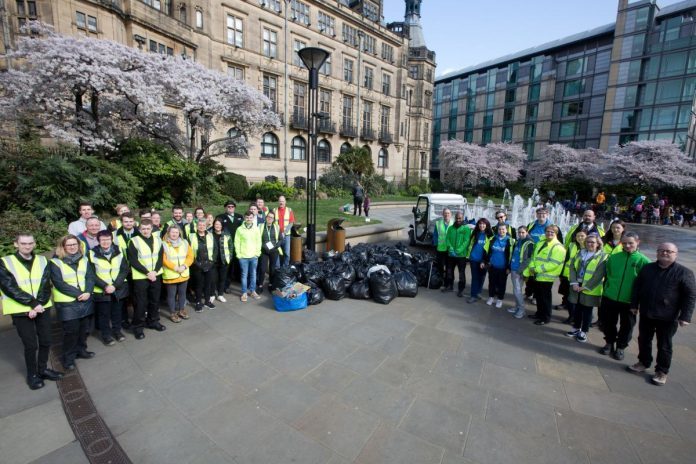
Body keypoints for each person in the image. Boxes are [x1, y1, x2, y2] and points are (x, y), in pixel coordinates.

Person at [627, 243, 696, 386]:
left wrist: (685, 316)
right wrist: (634, 305)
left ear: (675, 254)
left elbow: (690, 296)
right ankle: (643, 362)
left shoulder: (684, 273)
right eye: (661, 251)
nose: (665, 253)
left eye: (669, 251)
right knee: (643, 339)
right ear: (657, 253)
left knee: (664, 345)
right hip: (647, 312)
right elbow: (637, 287)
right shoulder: (648, 268)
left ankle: (662, 371)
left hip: (668, 317)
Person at [0, 234, 62, 389]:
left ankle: (42, 369)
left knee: (46, 340)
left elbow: (45, 284)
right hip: (21, 310)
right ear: (16, 244)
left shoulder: (42, 260)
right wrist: (32, 304)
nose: (27, 246)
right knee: (31, 345)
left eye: (30, 243)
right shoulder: (5, 262)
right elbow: (9, 287)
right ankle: (32, 374)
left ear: (34, 244)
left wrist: (38, 304)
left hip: (42, 307)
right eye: (23, 243)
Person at [598, 232, 651, 360]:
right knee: (608, 322)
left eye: (630, 243)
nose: (627, 245)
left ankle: (621, 347)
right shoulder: (614, 257)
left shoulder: (644, 261)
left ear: (637, 242)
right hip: (610, 297)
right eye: (625, 243)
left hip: (629, 301)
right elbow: (608, 275)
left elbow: (646, 285)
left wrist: (638, 303)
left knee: (627, 326)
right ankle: (609, 342)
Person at [50, 235, 96, 370]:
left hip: (85, 299)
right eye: (69, 245)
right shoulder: (55, 262)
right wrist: (79, 294)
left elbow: (90, 277)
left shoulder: (84, 259)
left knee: (84, 329)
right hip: (67, 303)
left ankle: (81, 350)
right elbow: (59, 283)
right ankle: (68, 358)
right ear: (63, 247)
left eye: (74, 244)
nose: (72, 247)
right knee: (71, 332)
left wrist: (88, 291)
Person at [127, 219, 166, 340]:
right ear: (139, 229)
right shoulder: (133, 241)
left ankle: (153, 321)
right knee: (140, 303)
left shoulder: (158, 240)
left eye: (148, 228)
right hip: (141, 277)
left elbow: (160, 257)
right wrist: (147, 272)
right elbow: (133, 260)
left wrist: (154, 271)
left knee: (154, 300)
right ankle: (138, 327)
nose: (145, 231)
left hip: (156, 274)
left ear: (152, 229)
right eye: (143, 229)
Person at [90, 230, 129, 345]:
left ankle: (117, 331)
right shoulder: (91, 253)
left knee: (117, 312)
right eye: (102, 240)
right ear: (98, 241)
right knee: (104, 314)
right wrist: (105, 286)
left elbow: (124, 269)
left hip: (118, 288)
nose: (105, 242)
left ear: (112, 240)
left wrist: (115, 285)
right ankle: (106, 335)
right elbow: (91, 274)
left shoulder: (119, 250)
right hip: (102, 290)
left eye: (108, 239)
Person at [566, 234, 607, 343]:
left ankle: (584, 331)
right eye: (588, 242)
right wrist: (574, 282)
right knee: (578, 308)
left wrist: (585, 287)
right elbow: (572, 267)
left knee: (587, 310)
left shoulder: (602, 256)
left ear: (598, 244)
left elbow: (599, 275)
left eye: (593, 242)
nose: (589, 244)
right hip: (577, 285)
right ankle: (576, 328)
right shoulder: (580, 252)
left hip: (590, 288)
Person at [525, 225, 566, 326]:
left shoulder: (558, 247)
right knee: (538, 296)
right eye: (548, 231)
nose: (549, 233)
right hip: (537, 275)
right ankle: (539, 313)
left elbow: (553, 264)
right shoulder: (541, 242)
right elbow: (534, 256)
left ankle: (545, 317)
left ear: (556, 234)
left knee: (545, 299)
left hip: (546, 276)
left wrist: (537, 269)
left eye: (552, 232)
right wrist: (532, 267)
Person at [162, 225, 193, 323]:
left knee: (182, 293)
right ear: (168, 233)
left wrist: (184, 266)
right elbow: (163, 259)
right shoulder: (164, 244)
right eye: (172, 232)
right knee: (171, 295)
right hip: (171, 274)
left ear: (179, 233)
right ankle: (172, 313)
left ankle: (181, 310)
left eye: (176, 232)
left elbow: (190, 256)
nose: (174, 234)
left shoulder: (184, 242)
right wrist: (175, 268)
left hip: (183, 272)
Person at [558, 230, 588, 321]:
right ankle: (572, 316)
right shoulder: (572, 245)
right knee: (569, 298)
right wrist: (561, 274)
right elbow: (565, 260)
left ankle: (581, 318)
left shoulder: (589, 247)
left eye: (582, 236)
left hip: (581, 278)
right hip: (568, 276)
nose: (580, 238)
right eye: (578, 236)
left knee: (580, 300)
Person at [234, 210, 261, 302]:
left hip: (254, 256)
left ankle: (253, 291)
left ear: (253, 218)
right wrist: (239, 255)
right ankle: (244, 292)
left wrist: (257, 253)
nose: (249, 219)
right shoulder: (239, 229)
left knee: (253, 274)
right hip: (243, 257)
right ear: (244, 218)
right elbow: (236, 243)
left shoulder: (256, 229)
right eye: (247, 217)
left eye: (250, 218)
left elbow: (259, 242)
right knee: (244, 275)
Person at [483, 223, 512, 308]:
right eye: (499, 229)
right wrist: (486, 262)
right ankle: (491, 297)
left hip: (503, 268)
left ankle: (500, 299)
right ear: (497, 230)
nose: (501, 231)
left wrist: (509, 267)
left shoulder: (510, 241)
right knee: (491, 283)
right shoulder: (492, 239)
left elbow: (512, 255)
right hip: (492, 266)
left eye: (503, 229)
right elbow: (486, 251)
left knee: (501, 284)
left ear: (506, 230)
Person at [190, 219, 217, 312]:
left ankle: (207, 301)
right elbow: (189, 252)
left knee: (208, 284)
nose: (201, 226)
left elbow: (215, 250)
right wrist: (197, 264)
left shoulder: (210, 235)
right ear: (197, 226)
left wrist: (211, 262)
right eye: (200, 225)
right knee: (198, 285)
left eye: (203, 225)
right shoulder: (191, 236)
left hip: (209, 265)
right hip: (197, 265)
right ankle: (198, 302)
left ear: (206, 226)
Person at [216, 200, 244, 289]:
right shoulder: (220, 217)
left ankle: (238, 279)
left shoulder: (239, 217)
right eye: (229, 207)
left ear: (234, 208)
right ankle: (226, 285)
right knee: (227, 265)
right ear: (225, 208)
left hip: (238, 244)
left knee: (238, 263)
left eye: (232, 207)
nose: (230, 208)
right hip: (226, 245)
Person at [443, 211, 471, 297]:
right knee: (449, 271)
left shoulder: (466, 229)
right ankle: (449, 286)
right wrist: (451, 249)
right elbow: (447, 239)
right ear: (455, 218)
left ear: (462, 218)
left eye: (460, 218)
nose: (458, 220)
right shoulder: (451, 228)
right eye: (457, 218)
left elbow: (466, 241)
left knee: (461, 273)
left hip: (461, 255)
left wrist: (458, 251)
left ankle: (461, 290)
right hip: (451, 255)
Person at [508, 226, 534, 319]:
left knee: (517, 291)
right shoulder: (519, 241)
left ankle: (521, 310)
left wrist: (519, 271)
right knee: (516, 290)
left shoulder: (529, 243)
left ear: (527, 232)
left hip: (519, 270)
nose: (520, 234)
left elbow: (528, 260)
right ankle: (517, 307)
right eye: (519, 232)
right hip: (514, 268)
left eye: (523, 232)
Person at [466, 218, 493, 303]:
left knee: (482, 277)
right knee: (475, 278)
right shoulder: (475, 233)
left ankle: (478, 293)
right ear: (478, 225)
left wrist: (484, 261)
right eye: (480, 224)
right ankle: (473, 295)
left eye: (483, 224)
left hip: (483, 261)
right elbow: (470, 245)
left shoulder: (490, 235)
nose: (482, 225)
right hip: (474, 259)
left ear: (487, 225)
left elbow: (490, 250)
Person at [258, 211, 283, 292]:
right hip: (263, 250)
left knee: (272, 269)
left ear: (273, 219)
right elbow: (257, 239)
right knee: (262, 269)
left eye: (271, 217)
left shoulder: (276, 227)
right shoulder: (260, 226)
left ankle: (271, 284)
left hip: (274, 250)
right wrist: (263, 246)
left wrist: (276, 246)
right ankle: (260, 285)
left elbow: (280, 239)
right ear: (266, 217)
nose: (269, 218)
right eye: (268, 216)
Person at [210, 219, 232, 302]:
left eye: (219, 224)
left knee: (222, 278)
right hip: (213, 261)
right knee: (213, 279)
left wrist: (229, 257)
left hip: (224, 260)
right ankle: (212, 294)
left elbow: (231, 247)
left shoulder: (227, 235)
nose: (217, 226)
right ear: (213, 225)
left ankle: (220, 294)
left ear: (222, 226)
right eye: (216, 224)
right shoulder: (209, 234)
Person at [273, 196, 295, 266]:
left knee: (287, 253)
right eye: (280, 201)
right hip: (277, 236)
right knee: (276, 253)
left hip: (286, 236)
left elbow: (291, 223)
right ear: (278, 202)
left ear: (285, 202)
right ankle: (278, 269)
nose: (281, 202)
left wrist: (284, 233)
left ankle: (285, 268)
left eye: (282, 201)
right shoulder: (274, 210)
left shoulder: (289, 210)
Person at [432, 208, 453, 279]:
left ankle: (447, 280)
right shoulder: (438, 223)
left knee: (449, 266)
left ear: (451, 214)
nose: (447, 215)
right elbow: (435, 235)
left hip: (450, 248)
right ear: (443, 214)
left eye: (448, 213)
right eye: (445, 213)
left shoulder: (453, 223)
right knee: (440, 265)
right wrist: (435, 245)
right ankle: (441, 279)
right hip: (440, 248)